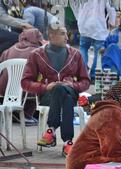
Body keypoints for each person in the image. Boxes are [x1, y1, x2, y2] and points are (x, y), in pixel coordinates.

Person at [21, 26, 90, 156]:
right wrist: (44, 87)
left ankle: (51, 129)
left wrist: (73, 85)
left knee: (62, 90)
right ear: (52, 36)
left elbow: (86, 81)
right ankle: (68, 142)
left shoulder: (76, 54)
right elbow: (25, 82)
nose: (67, 38)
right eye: (63, 34)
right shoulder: (36, 55)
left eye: (66, 34)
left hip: (71, 91)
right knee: (65, 97)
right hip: (48, 95)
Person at [0, 28, 44, 125]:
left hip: (4, 93)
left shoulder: (9, 50)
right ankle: (27, 115)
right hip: (26, 93)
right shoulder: (38, 52)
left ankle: (12, 114)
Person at [70, 0, 116, 81]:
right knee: (98, 53)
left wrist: (78, 16)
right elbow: (110, 6)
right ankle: (94, 75)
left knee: (83, 48)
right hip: (98, 25)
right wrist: (112, 21)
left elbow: (73, 3)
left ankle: (82, 74)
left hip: (83, 23)